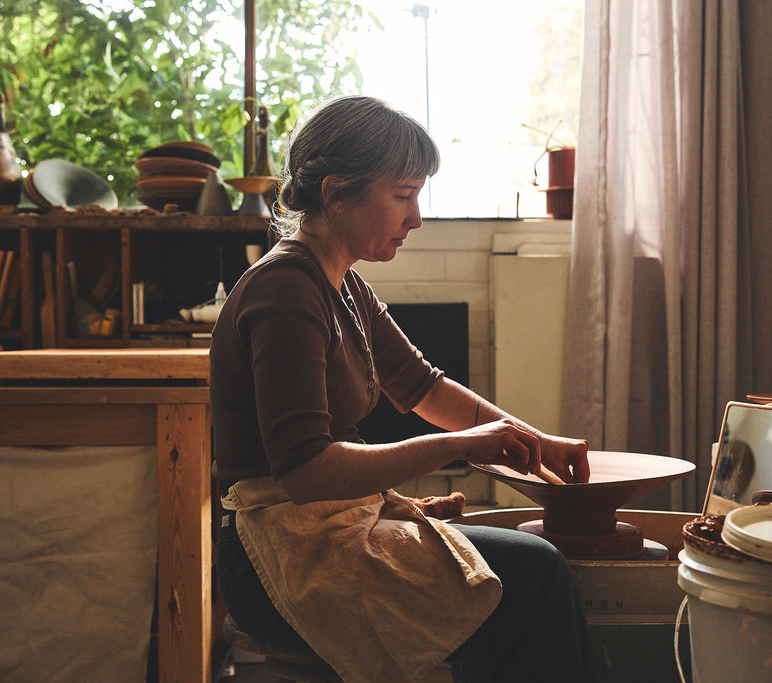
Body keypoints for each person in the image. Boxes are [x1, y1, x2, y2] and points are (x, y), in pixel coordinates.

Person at [211, 95, 591, 683]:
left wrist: (537, 441)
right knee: (536, 571)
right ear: (337, 193)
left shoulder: (344, 286)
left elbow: (423, 388)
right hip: (277, 553)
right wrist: (459, 447)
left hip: (328, 525)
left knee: (522, 571)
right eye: (404, 196)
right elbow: (307, 472)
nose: (415, 218)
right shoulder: (285, 291)